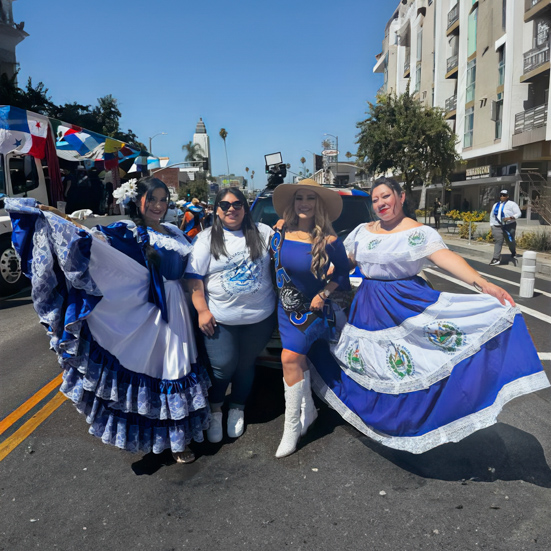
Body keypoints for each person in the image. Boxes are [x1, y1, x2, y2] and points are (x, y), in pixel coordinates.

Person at [307, 177, 549, 454]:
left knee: (414, 362)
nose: (380, 204)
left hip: (406, 302)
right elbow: (344, 263)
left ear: (401, 197)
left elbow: (446, 258)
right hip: (368, 304)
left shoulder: (418, 233)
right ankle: (378, 416)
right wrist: (321, 278)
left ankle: (409, 420)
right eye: (375, 199)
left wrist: (484, 284)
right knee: (374, 363)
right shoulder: (363, 231)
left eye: (386, 196)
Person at [5, 177, 211, 464]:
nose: (158, 205)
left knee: (182, 365)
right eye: (152, 199)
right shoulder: (129, 231)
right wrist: (52, 216)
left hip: (181, 309)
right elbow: (93, 243)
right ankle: (175, 444)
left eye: (163, 199)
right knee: (168, 368)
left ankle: (180, 437)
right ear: (137, 202)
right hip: (153, 313)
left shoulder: (175, 231)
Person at [185, 187, 276, 443]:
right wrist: (202, 310)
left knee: (246, 365)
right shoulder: (205, 239)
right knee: (223, 368)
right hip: (220, 320)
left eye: (237, 204)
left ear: (245, 207)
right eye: (225, 205)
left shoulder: (264, 232)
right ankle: (215, 410)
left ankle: (237, 407)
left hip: (259, 318)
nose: (231, 209)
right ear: (217, 210)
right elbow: (194, 280)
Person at [271, 179, 351, 458]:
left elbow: (343, 273)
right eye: (299, 198)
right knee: (298, 360)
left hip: (312, 311)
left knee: (289, 359)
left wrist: (325, 293)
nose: (304, 203)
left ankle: (291, 427)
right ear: (292, 203)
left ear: (319, 205)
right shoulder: (279, 231)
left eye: (310, 198)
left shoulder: (329, 240)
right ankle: (311, 413)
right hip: (284, 309)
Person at [489, 189, 522, 266]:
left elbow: (519, 213)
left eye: (504, 195)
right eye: (501, 195)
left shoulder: (512, 204)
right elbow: (492, 215)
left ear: (507, 196)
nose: (502, 196)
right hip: (497, 226)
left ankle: (513, 251)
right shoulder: (496, 205)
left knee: (510, 241)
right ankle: (496, 259)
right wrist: (492, 225)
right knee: (498, 241)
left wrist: (511, 217)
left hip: (509, 225)